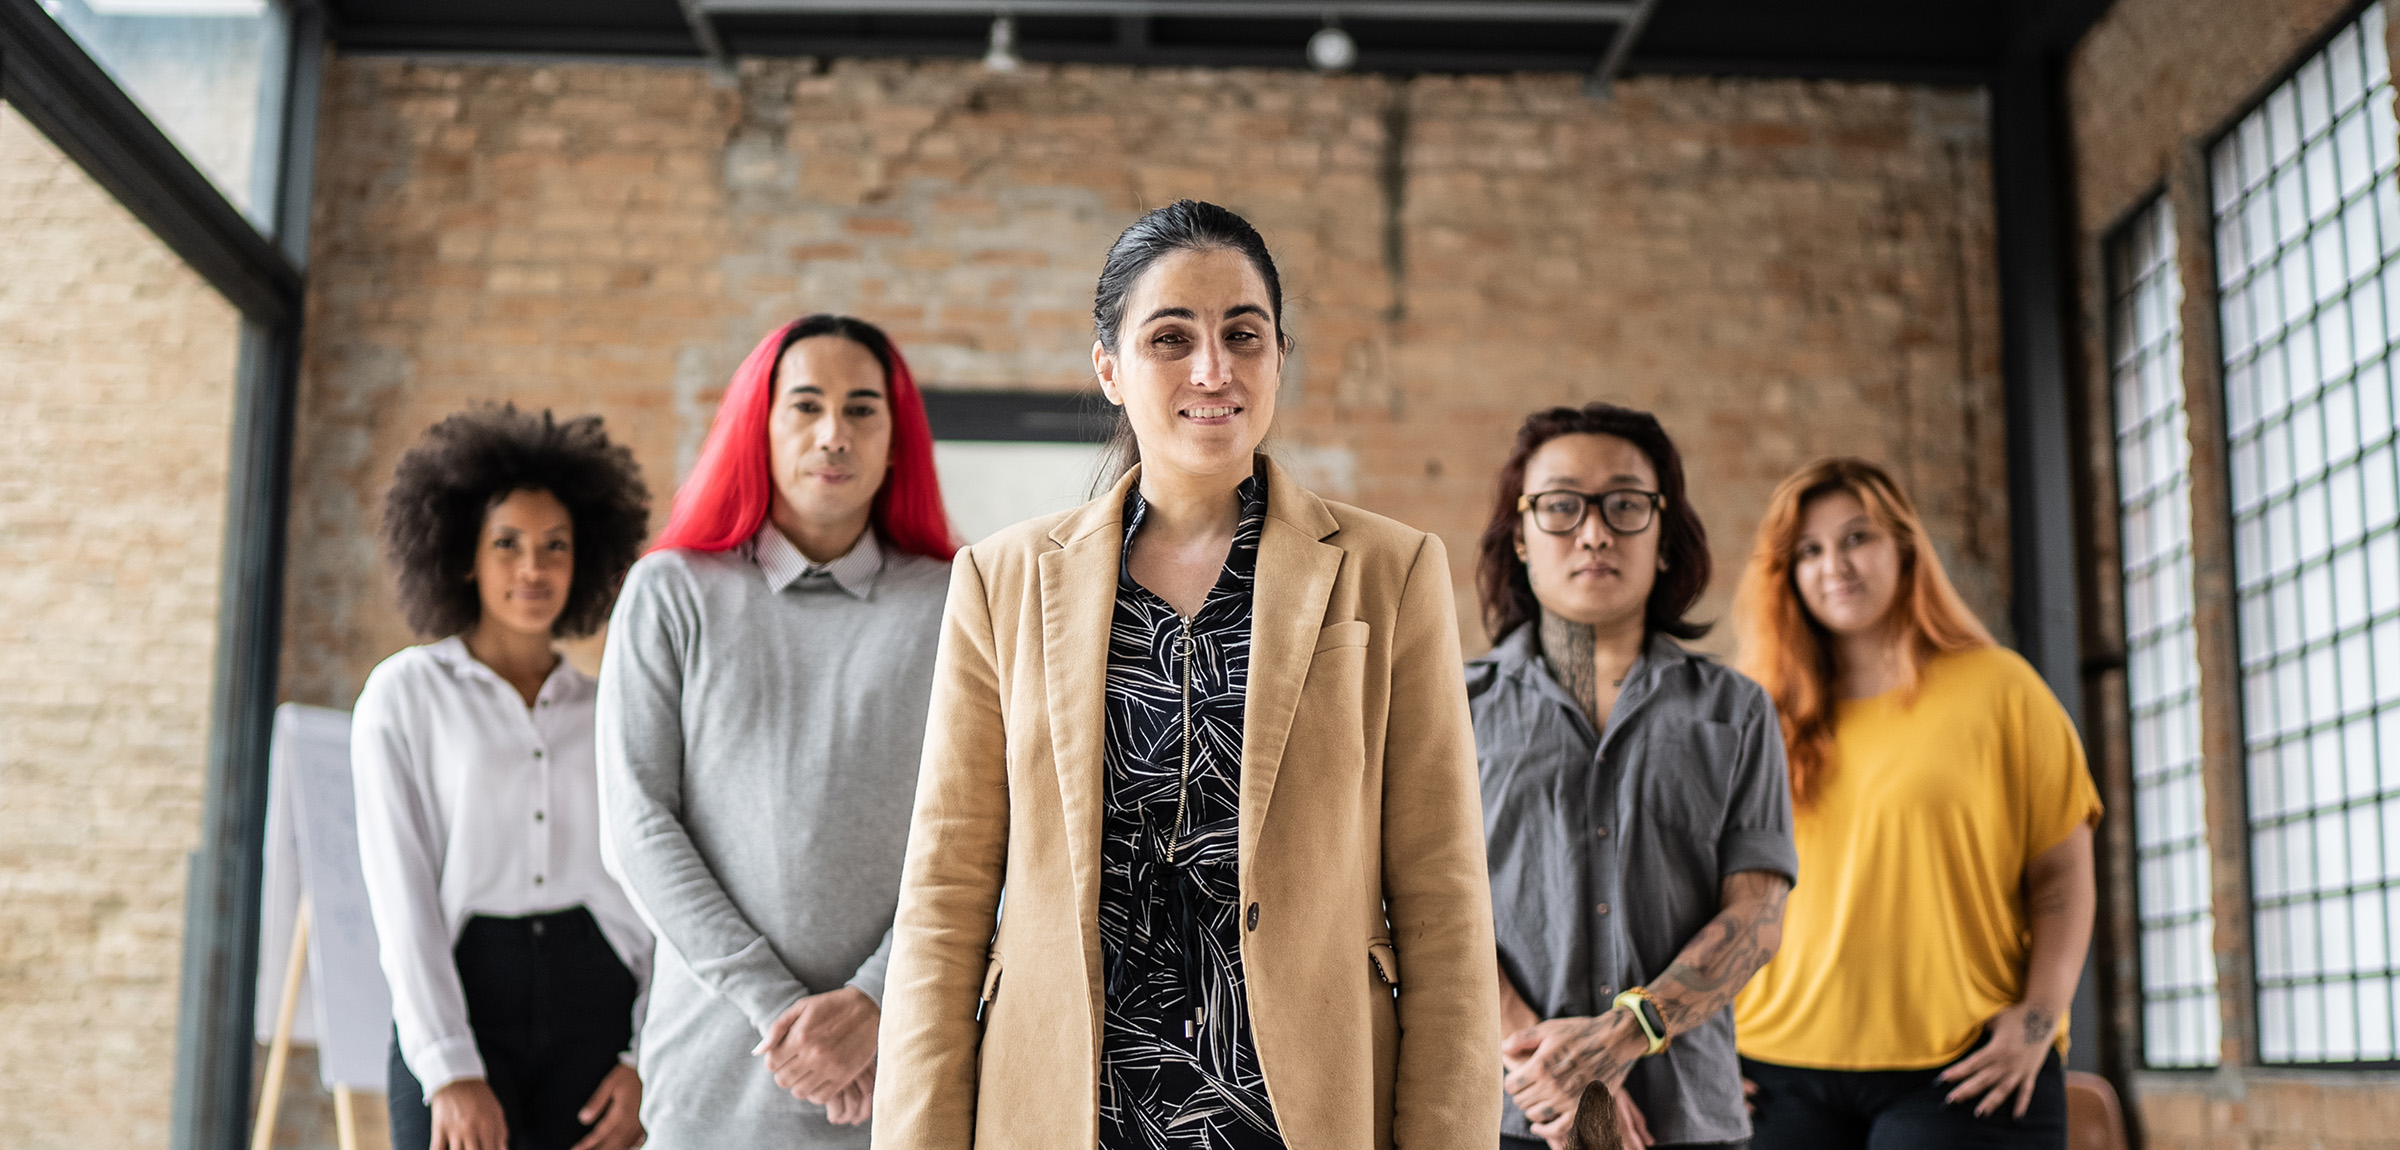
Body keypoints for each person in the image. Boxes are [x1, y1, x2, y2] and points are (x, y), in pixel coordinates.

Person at [873, 199, 1501, 1149]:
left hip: (1305, 1113)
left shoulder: (1390, 570)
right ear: (1111, 370)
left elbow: (1445, 904)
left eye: (1242, 334)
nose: (1214, 368)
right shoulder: (1000, 582)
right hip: (1068, 1109)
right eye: (1172, 337)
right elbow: (946, 897)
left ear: (1278, 357)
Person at [596, 314, 956, 1148]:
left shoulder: (957, 604)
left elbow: (991, 840)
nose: (834, 434)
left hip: (900, 1072)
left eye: (863, 409)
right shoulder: (670, 593)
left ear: (897, 440)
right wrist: (783, 1015)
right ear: (759, 428)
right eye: (806, 406)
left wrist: (873, 1000)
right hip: (712, 1082)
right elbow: (638, 827)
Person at [1730, 458, 2100, 1150]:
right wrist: (1699, 1045)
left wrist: (2038, 1019)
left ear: (1905, 548)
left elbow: (2063, 873)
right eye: (1808, 551)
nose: (1834, 564)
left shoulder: (2000, 690)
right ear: (1787, 574)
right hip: (1773, 1074)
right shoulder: (1757, 714)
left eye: (1857, 538)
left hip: (1966, 1069)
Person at [1470, 404, 1796, 1150]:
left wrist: (1621, 1038)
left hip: (1688, 1121)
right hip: (1504, 1116)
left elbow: (1758, 918)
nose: (1594, 532)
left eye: (1625, 505)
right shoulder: (1451, 710)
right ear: (1520, 534)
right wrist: (1557, 1075)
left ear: (1664, 536)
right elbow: (1416, 909)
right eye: (1560, 506)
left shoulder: (1736, 712)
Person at [353, 404, 655, 1150]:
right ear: (463, 553)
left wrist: (646, 1056)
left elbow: (654, 886)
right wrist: (450, 1069)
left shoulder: (613, 706)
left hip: (598, 1002)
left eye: (556, 546)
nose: (534, 568)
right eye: (508, 544)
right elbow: (402, 894)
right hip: (463, 992)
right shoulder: (405, 695)